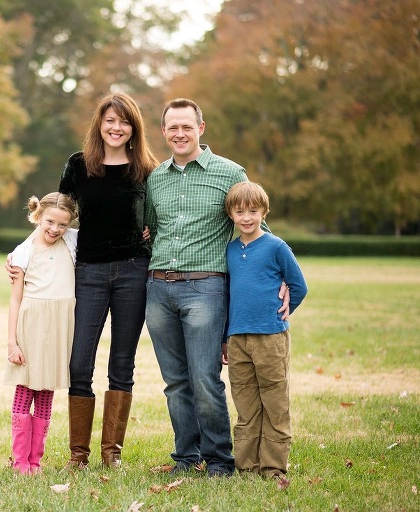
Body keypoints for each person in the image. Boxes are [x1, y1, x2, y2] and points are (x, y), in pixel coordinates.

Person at [9, 93, 158, 468]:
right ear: (99, 124)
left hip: (133, 271)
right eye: (110, 120)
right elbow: (55, 214)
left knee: (122, 364)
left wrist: (150, 233)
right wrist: (21, 254)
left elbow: (159, 216)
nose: (116, 128)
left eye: (124, 122)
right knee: (79, 365)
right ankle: (79, 454)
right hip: (89, 272)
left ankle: (111, 453)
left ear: (134, 128)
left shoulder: (145, 169)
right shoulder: (79, 165)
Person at [144, 97, 290, 477]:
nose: (180, 133)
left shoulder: (229, 173)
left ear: (200, 128)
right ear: (163, 131)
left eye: (187, 126)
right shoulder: (155, 179)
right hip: (158, 290)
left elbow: (258, 231)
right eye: (173, 127)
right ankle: (186, 456)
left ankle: (220, 459)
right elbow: (151, 231)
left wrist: (281, 278)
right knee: (175, 382)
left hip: (204, 288)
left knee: (204, 378)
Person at [224, 181, 307, 479]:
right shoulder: (230, 250)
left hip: (270, 336)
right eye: (240, 211)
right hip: (237, 338)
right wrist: (224, 338)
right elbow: (227, 295)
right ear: (231, 214)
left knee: (274, 403)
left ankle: (273, 468)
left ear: (264, 212)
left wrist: (282, 311)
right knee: (246, 404)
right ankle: (247, 467)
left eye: (253, 211)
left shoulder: (276, 247)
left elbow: (298, 286)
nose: (246, 217)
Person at [5, 192, 79, 474]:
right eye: (49, 222)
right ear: (38, 216)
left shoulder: (72, 241)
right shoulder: (23, 252)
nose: (55, 229)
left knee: (47, 390)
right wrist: (12, 342)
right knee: (26, 388)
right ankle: (20, 461)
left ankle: (35, 460)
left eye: (62, 224)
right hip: (32, 325)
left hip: (60, 325)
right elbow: (15, 299)